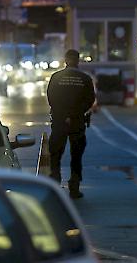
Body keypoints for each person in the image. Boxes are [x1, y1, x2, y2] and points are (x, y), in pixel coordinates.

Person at [46, 49, 96, 199]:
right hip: (77, 122)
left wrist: (63, 114)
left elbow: (51, 98)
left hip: (59, 121)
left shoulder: (56, 77)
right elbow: (90, 100)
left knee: (55, 154)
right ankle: (74, 187)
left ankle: (54, 185)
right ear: (78, 60)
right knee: (76, 155)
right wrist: (75, 114)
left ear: (66, 60)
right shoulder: (85, 79)